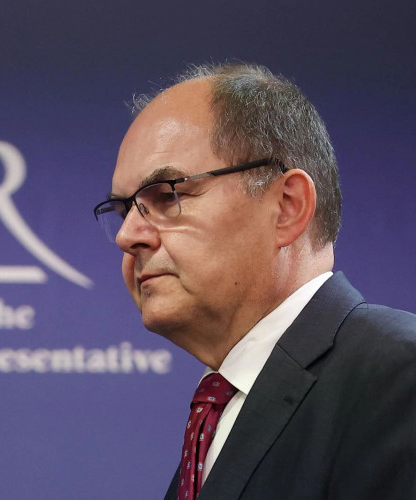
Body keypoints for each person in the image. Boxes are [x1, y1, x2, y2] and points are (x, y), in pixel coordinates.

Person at [93, 63, 416, 499]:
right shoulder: (219, 410)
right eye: (123, 211)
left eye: (168, 195)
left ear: (287, 207)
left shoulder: (399, 377)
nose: (127, 236)